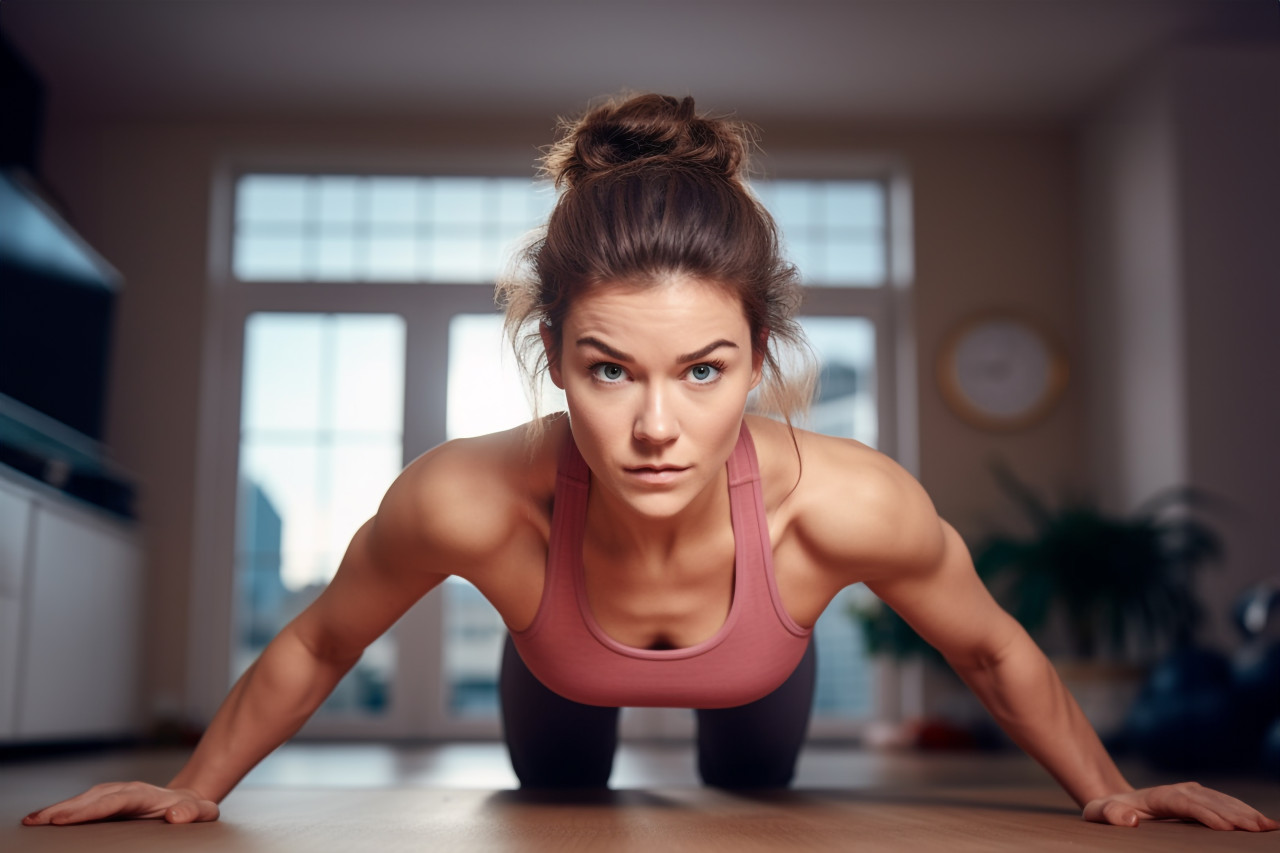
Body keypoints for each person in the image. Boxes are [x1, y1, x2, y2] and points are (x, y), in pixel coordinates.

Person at [22, 93, 1277, 832]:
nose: (657, 427)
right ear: (551, 354)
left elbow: (992, 648)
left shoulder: (848, 500)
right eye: (609, 368)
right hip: (556, 672)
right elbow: (317, 643)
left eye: (703, 370)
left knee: (752, 777)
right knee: (561, 791)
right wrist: (191, 790)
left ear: (762, 354)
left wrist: (1110, 795)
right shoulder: (465, 496)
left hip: (753, 679)